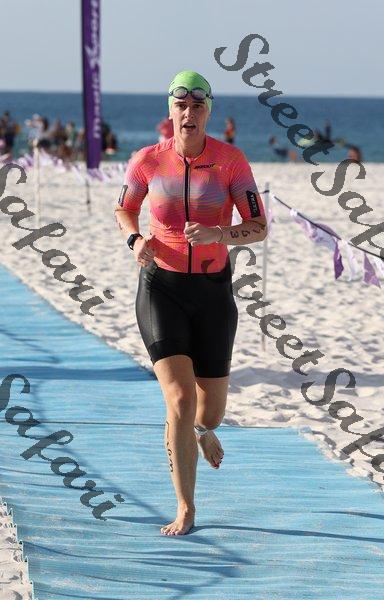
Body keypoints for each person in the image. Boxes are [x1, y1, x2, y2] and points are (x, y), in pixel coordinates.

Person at [114, 70, 267, 536]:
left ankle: (202, 431)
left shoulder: (230, 162)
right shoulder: (146, 160)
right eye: (181, 105)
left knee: (210, 412)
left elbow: (258, 226)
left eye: (198, 106)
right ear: (170, 111)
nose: (189, 113)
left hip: (213, 292)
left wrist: (220, 233)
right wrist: (135, 239)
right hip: (161, 288)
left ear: (207, 113)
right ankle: (185, 507)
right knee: (179, 398)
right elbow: (124, 208)